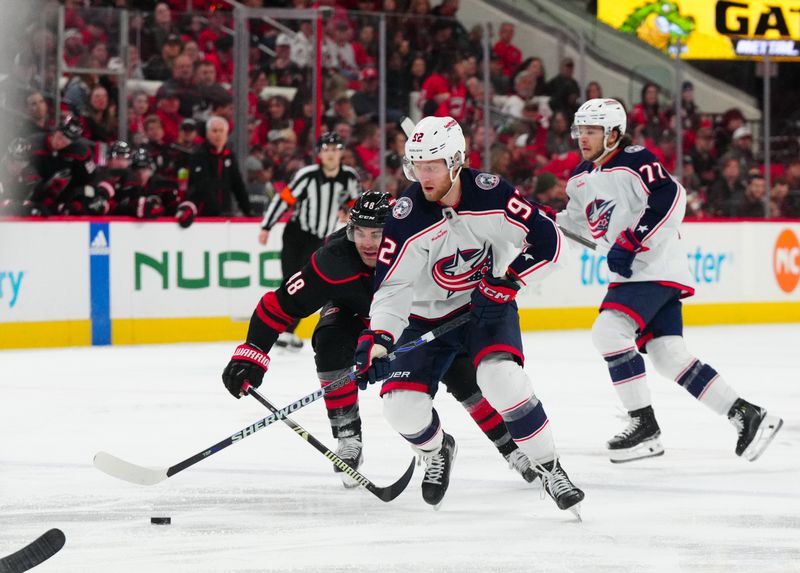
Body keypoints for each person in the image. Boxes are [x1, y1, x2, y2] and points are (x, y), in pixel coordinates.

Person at [221, 192, 538, 487]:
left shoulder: (423, 247)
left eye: (378, 233)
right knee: (330, 341)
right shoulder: (334, 261)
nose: (368, 243)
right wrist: (251, 353)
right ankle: (348, 437)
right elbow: (279, 306)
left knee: (460, 372)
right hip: (352, 314)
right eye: (360, 232)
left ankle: (511, 448)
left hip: (410, 320)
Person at [353, 116, 584, 513]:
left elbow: (549, 242)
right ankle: (437, 448)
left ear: (456, 161)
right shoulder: (406, 217)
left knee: (502, 380)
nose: (423, 176)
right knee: (400, 408)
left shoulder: (492, 194)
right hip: (425, 320)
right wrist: (380, 339)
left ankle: (550, 467)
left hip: (487, 308)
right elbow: (392, 288)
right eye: (417, 166)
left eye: (433, 166)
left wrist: (509, 281)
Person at [556, 98, 783, 464]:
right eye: (580, 130)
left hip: (653, 266)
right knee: (667, 355)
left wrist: (633, 239)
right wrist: (541, 223)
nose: (583, 138)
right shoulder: (581, 178)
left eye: (592, 131)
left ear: (613, 133)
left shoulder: (635, 160)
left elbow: (671, 197)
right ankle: (746, 415)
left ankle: (644, 426)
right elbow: (578, 224)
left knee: (609, 332)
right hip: (634, 274)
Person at [258, 132, 361, 351]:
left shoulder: (349, 177)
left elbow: (356, 204)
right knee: (291, 282)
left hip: (319, 238)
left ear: (342, 152)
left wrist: (348, 213)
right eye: (326, 150)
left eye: (335, 149)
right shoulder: (307, 175)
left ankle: (287, 332)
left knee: (308, 283)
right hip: (297, 234)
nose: (331, 154)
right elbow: (284, 199)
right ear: (319, 154)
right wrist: (267, 226)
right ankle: (282, 330)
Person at [176, 116, 252, 227]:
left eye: (221, 131)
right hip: (202, 216)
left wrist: (248, 211)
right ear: (207, 133)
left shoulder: (229, 156)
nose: (218, 134)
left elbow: (238, 185)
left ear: (226, 134)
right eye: (214, 131)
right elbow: (203, 186)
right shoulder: (198, 155)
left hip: (225, 215)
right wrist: (216, 212)